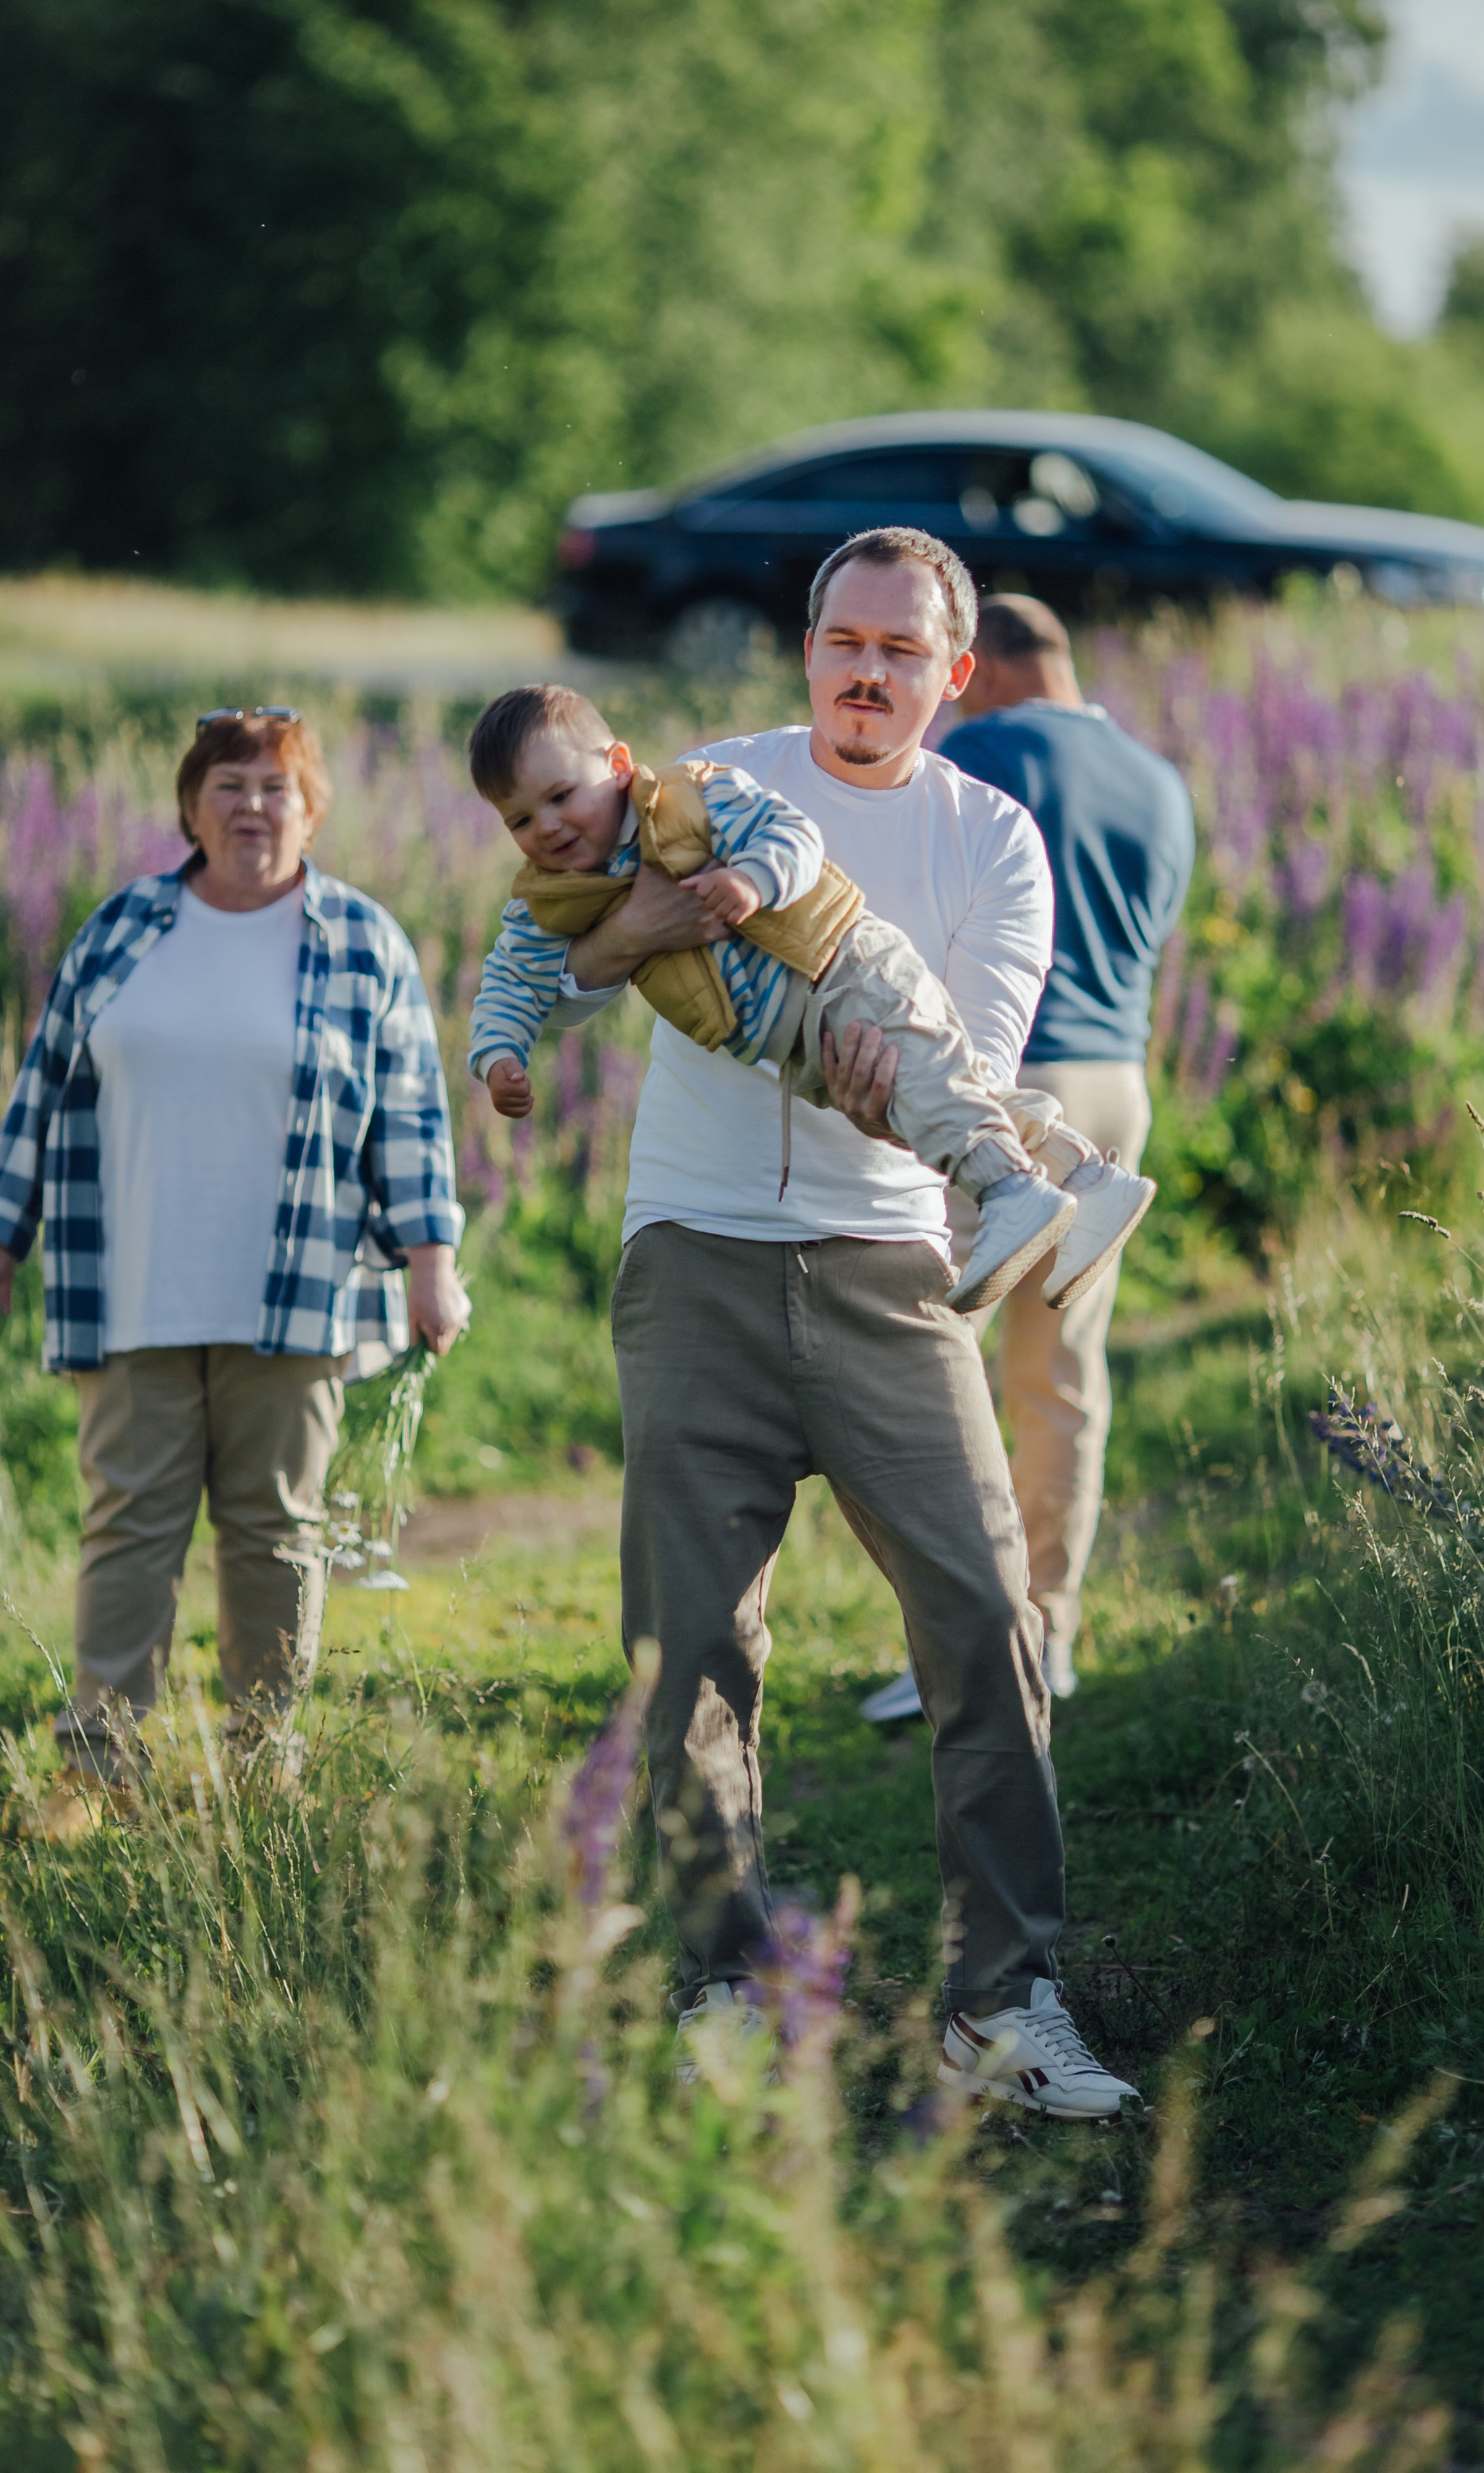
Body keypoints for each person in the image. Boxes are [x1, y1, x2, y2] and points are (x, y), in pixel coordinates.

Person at [541, 526, 1140, 2118]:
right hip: (695, 1252)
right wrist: (668, 928)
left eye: (898, 652)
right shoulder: (693, 785)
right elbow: (572, 952)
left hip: (892, 1269)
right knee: (691, 1655)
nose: (863, 673)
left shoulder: (993, 835)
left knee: (986, 1628)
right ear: (804, 651)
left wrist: (853, 1058)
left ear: (953, 676)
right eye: (839, 642)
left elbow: (962, 1049)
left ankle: (1001, 2004)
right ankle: (723, 1987)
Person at [0, 707, 468, 1835]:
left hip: (299, 1283)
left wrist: (434, 1260)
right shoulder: (125, 927)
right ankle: (100, 1768)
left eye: (276, 786)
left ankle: (263, 1759)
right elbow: (45, 1086)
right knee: (127, 1526)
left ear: (312, 807)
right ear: (189, 806)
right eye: (228, 784)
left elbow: (413, 1119)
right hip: (128, 1274)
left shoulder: (362, 940)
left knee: (277, 1529)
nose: (251, 805)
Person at [464, 685, 1153, 1315]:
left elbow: (791, 836)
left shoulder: (689, 798)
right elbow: (511, 980)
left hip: (837, 967)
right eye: (520, 819)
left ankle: (1009, 1191)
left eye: (560, 796)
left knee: (925, 1085)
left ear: (616, 764)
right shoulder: (550, 900)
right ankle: (1086, 1178)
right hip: (791, 1046)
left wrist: (754, 882)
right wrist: (498, 1054)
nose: (547, 827)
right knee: (931, 1092)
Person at [863, 595, 1192, 1718]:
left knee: (924, 1366)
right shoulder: (1160, 780)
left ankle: (959, 1644)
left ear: (985, 669)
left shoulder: (984, 747)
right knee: (1063, 1376)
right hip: (1117, 1088)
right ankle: (1050, 1632)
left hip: (1005, 1094)